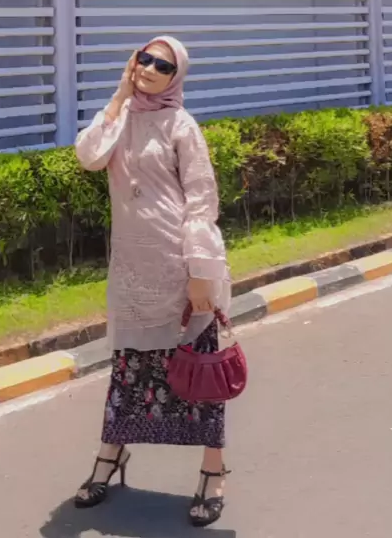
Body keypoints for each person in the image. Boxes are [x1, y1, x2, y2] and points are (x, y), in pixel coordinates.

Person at [74, 36, 231, 527]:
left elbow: (202, 200)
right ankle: (111, 454)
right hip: (132, 270)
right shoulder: (120, 117)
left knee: (200, 374)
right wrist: (119, 95)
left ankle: (213, 471)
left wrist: (200, 272)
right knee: (128, 371)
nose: (149, 68)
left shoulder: (181, 124)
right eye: (144, 58)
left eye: (162, 65)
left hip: (177, 266)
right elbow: (88, 155)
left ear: (176, 75)